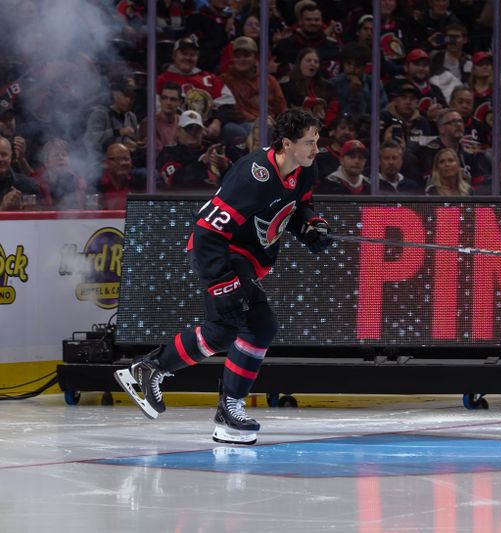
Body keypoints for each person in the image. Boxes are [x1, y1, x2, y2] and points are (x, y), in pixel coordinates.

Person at [114, 108, 332, 445]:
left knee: (227, 331)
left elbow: (300, 205)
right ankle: (226, 409)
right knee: (257, 326)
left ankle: (151, 370)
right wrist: (221, 283)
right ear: (286, 144)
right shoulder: (253, 176)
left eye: (317, 141)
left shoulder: (305, 168)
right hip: (221, 254)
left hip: (244, 258)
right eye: (309, 143)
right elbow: (207, 232)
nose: (316, 149)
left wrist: (311, 227)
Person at [156, 34, 236, 142]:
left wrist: (217, 123)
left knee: (234, 131)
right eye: (184, 54)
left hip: (208, 130)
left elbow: (228, 104)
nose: (188, 58)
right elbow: (159, 110)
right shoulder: (162, 79)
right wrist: (193, 128)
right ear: (174, 55)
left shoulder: (209, 78)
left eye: (192, 54)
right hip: (177, 129)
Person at [157, 110, 229, 189]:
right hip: (185, 198)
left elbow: (236, 178)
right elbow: (175, 181)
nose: (193, 133)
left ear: (202, 131)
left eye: (197, 129)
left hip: (217, 196)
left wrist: (225, 167)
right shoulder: (168, 153)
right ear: (178, 131)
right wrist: (202, 163)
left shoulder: (213, 148)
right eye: (188, 129)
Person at [83, 75, 142, 168]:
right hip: (101, 166)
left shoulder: (131, 117)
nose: (129, 100)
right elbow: (90, 140)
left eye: (132, 96)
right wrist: (118, 132)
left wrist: (136, 145)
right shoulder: (100, 113)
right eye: (126, 95)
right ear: (115, 94)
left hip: (126, 165)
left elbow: (132, 143)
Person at [31, 138, 89, 210]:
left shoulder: (79, 183)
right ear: (46, 162)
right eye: (56, 155)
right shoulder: (35, 183)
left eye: (64, 155)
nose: (60, 158)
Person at [139, 81, 182, 157]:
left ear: (179, 102)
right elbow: (158, 155)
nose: (168, 103)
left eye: (173, 99)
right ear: (160, 100)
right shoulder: (149, 123)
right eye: (164, 98)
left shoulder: (182, 122)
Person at [0, 136, 40, 211]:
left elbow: (42, 219)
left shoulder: (28, 186)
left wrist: (22, 211)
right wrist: (3, 207)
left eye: (4, 154)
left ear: (10, 157)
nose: (0, 159)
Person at [97, 143, 138, 210]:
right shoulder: (96, 186)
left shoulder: (139, 184)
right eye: (118, 159)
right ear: (106, 163)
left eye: (126, 159)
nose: (123, 163)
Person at [0, 99, 34, 176]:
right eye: (3, 119)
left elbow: (34, 181)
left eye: (10, 118)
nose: (8, 123)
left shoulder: (23, 142)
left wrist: (22, 160)